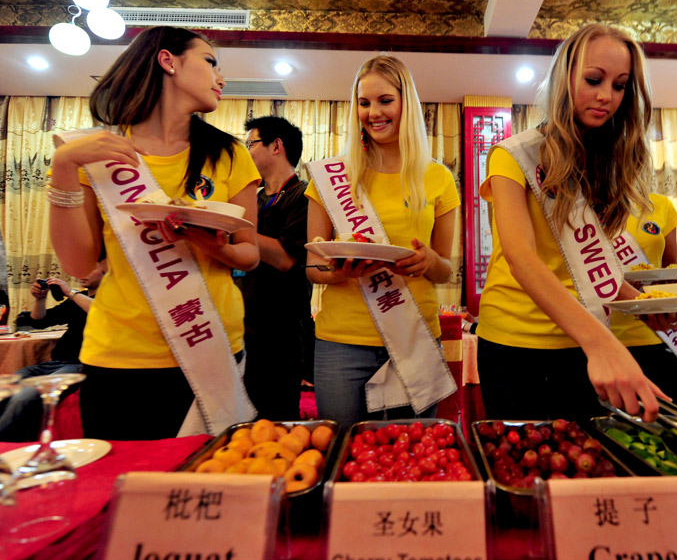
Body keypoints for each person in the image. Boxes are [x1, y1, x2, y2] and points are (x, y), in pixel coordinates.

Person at [47, 26, 260, 440]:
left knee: (204, 489)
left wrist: (204, 241)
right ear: (169, 62)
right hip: (120, 355)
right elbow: (77, 264)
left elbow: (249, 253)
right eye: (211, 62)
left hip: (211, 342)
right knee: (124, 492)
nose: (222, 77)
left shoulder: (229, 153)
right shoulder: (99, 153)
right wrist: (63, 167)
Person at [476, 24, 666, 422]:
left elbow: (592, 269)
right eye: (593, 80)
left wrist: (647, 307)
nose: (606, 97)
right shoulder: (513, 156)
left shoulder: (610, 162)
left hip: (589, 336)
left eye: (620, 86)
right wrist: (601, 343)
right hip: (518, 343)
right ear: (564, 79)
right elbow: (521, 257)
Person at [304, 55, 459, 429]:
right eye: (364, 102)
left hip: (413, 335)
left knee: (413, 458)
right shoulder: (331, 176)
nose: (373, 112)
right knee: (339, 454)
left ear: (407, 103)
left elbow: (444, 270)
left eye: (385, 100)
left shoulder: (437, 177)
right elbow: (312, 267)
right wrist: (339, 270)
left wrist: (427, 262)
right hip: (341, 342)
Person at [239, 115, 312, 420]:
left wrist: (235, 233)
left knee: (276, 420)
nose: (246, 152)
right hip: (241, 325)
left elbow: (285, 258)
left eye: (250, 144)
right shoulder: (252, 199)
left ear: (276, 146)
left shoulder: (304, 195)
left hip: (280, 330)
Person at [609, 194, 677, 409]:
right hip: (600, 342)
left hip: (656, 338)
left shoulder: (659, 205)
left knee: (666, 431)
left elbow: (670, 271)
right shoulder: (578, 206)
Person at [0, 262, 105, 441]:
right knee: (7, 388)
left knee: (25, 396)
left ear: (106, 270)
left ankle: (5, 446)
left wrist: (71, 293)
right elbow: (39, 321)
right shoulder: (78, 299)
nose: (81, 272)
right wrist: (39, 299)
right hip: (54, 363)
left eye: (89, 267)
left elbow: (101, 312)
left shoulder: (110, 299)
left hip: (80, 364)